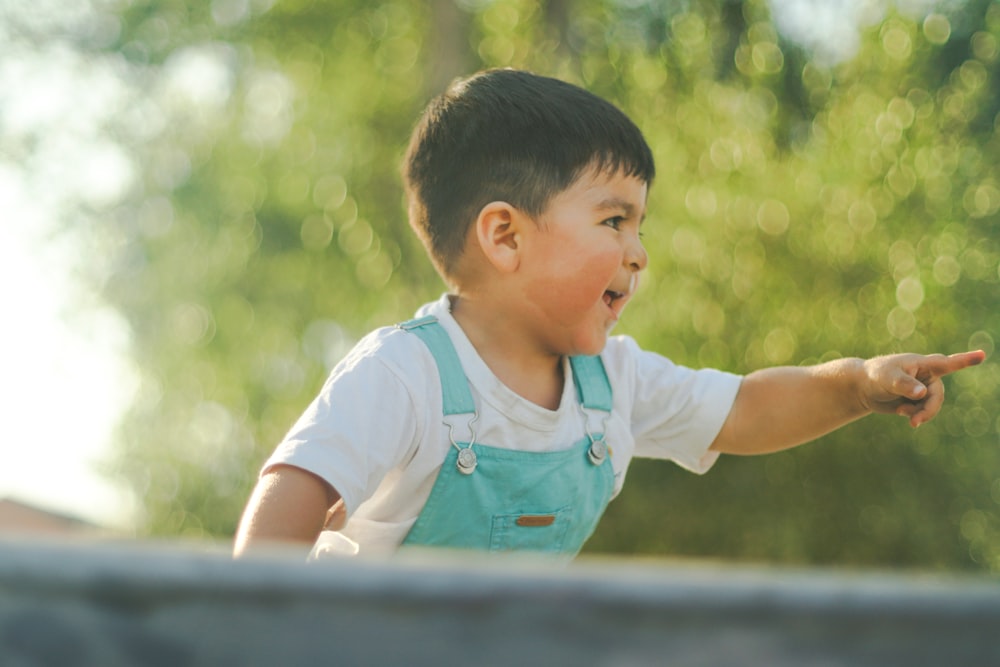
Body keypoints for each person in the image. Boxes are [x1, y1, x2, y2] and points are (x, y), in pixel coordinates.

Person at [233, 69, 984, 560]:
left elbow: (745, 409)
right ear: (505, 235)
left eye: (640, 226)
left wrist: (854, 384)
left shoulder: (610, 384)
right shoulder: (404, 373)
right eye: (614, 221)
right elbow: (289, 501)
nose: (639, 253)